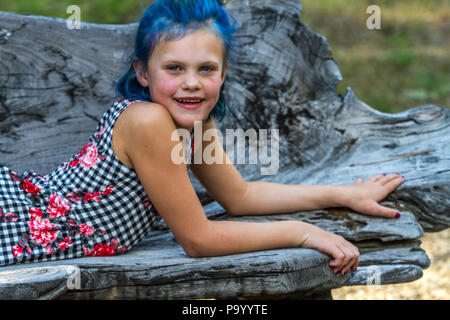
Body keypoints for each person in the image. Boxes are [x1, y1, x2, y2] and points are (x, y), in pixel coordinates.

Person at [0, 0, 405, 277]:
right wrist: (303, 231)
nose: (191, 84)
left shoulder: (192, 123)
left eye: (206, 69)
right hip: (11, 225)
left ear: (224, 73)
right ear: (143, 73)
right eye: (174, 68)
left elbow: (239, 196)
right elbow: (198, 239)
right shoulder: (147, 121)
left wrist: (341, 194)